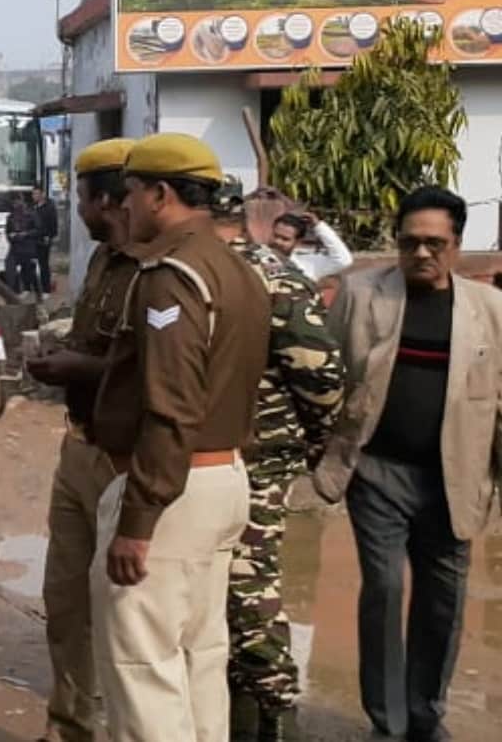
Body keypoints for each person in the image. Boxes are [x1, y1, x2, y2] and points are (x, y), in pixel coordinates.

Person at [89, 133, 270, 742]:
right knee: (198, 658)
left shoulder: (171, 275)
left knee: (143, 668)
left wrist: (136, 521)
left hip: (174, 487)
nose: (124, 207)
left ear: (160, 193)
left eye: (132, 194)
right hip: (220, 478)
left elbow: (171, 407)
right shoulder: (235, 267)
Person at [313, 187, 502, 741]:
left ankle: (425, 713)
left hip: (455, 478)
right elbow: (326, 377)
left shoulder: (489, 310)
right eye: (410, 242)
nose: (421, 253)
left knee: (443, 600)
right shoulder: (360, 294)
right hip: (376, 472)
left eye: (434, 243)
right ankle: (387, 721)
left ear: (457, 245)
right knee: (385, 588)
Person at [210, 193, 346, 741]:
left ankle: (274, 715)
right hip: (207, 462)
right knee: (217, 602)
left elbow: (321, 379)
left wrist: (311, 446)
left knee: (249, 597)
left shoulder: (272, 276)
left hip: (258, 460)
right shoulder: (194, 271)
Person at [26, 138, 137, 742]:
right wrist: (62, 354)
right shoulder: (99, 261)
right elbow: (98, 344)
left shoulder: (157, 268)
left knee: (128, 615)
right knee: (66, 602)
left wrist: (77, 369)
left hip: (129, 461)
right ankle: (70, 726)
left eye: (83, 196)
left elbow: (149, 370)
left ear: (102, 198)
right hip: (80, 446)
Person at [270, 209, 353, 282]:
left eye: (285, 239)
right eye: (275, 236)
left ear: (298, 242)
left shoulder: (307, 265)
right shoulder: (259, 259)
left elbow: (343, 260)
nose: (278, 242)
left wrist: (318, 226)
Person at [5, 193, 42, 299]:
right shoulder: (10, 217)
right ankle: (13, 294)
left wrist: (25, 234)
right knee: (10, 268)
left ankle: (37, 294)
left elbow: (39, 230)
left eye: (17, 201)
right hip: (15, 248)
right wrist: (12, 236)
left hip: (28, 248)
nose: (15, 204)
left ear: (22, 201)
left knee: (30, 273)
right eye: (14, 202)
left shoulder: (31, 214)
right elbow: (8, 232)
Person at [33, 187, 59, 295]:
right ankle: (35, 287)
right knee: (33, 263)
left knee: (43, 264)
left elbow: (53, 223)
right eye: (33, 194)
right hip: (34, 239)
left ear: (42, 194)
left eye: (36, 194)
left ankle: (46, 289)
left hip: (44, 239)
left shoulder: (49, 207)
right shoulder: (34, 207)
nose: (34, 196)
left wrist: (49, 236)